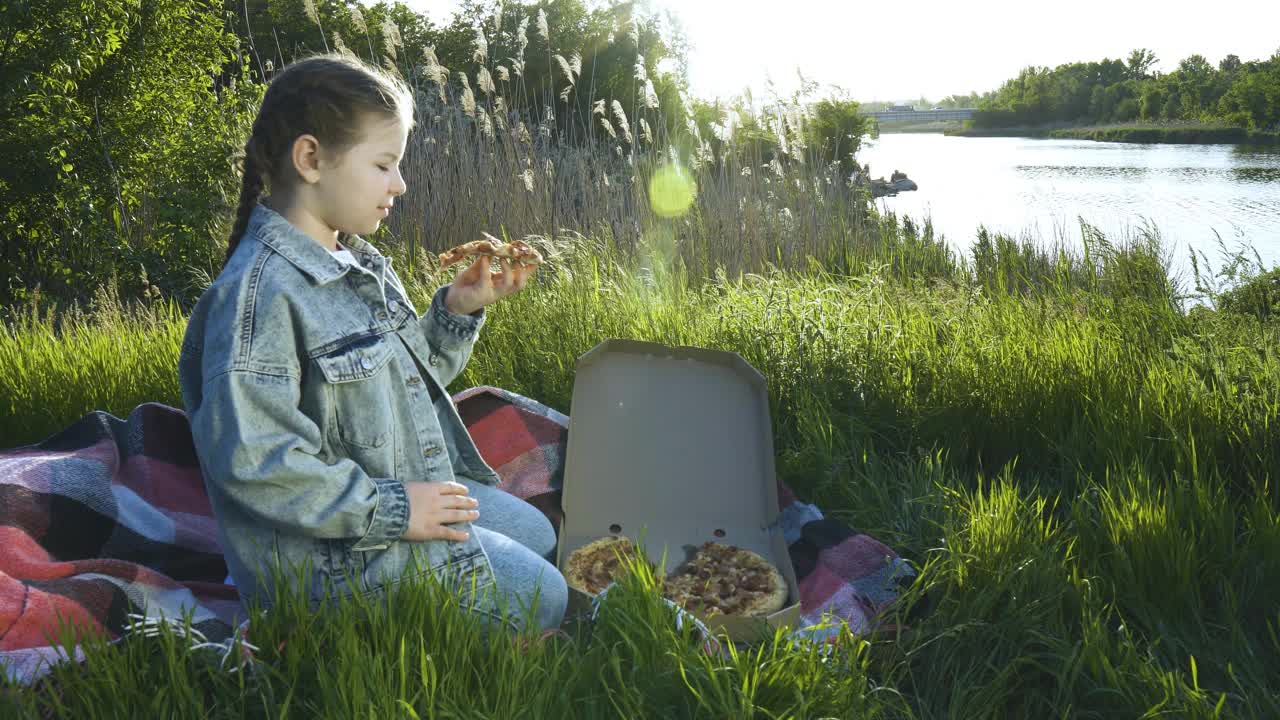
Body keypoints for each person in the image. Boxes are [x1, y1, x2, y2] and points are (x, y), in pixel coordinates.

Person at [178, 53, 566, 634]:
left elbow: (404, 381)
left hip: (385, 499)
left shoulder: (358, 260)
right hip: (323, 566)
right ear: (311, 159)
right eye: (384, 164)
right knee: (546, 596)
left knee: (538, 534)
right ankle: (342, 631)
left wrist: (458, 309)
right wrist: (400, 508)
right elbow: (256, 465)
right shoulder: (257, 299)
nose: (401, 184)